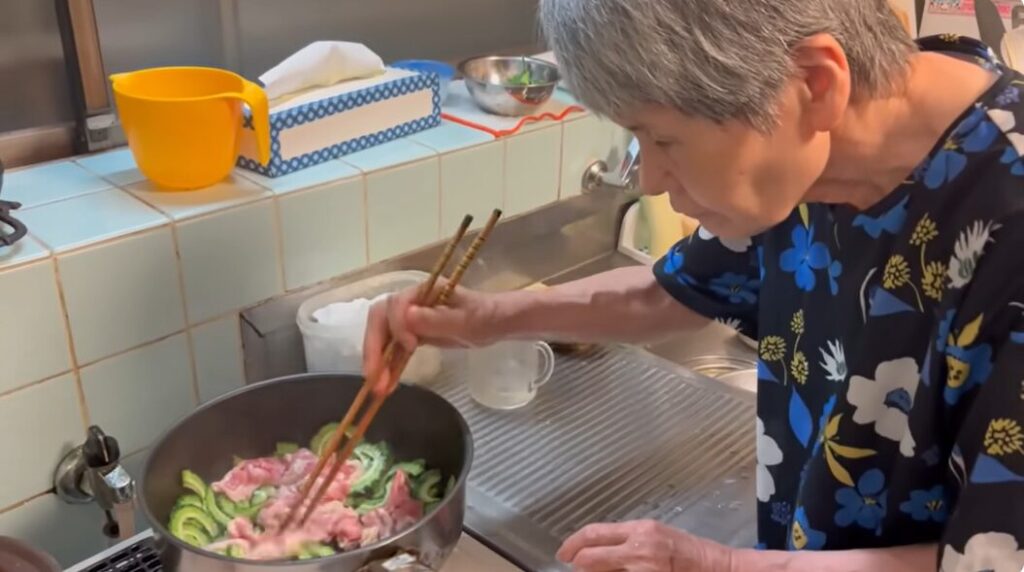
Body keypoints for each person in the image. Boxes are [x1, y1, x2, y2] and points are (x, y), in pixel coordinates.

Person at [364, 1, 1024, 570]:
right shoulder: (809, 149)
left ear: (816, 84)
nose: (650, 180)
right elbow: (674, 292)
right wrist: (489, 319)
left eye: (664, 139)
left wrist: (720, 562)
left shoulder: (1007, 221)